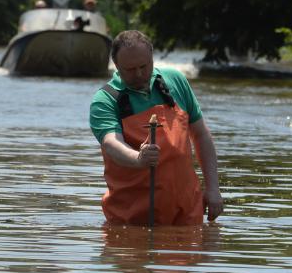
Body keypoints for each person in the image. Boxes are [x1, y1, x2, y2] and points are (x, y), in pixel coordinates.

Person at [89, 30, 224, 225]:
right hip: (132, 218)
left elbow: (201, 134)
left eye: (144, 66)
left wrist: (213, 188)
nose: (139, 74)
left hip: (187, 210)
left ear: (152, 58)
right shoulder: (105, 100)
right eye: (130, 69)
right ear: (116, 66)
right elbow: (111, 143)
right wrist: (138, 159)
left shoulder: (175, 81)